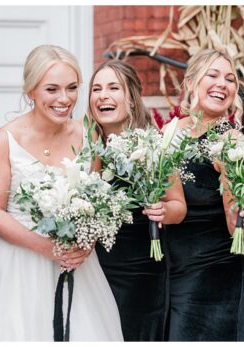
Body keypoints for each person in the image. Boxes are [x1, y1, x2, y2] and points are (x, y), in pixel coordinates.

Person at [0, 45, 123, 341]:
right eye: (52, 89)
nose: (64, 99)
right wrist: (45, 247)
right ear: (31, 91)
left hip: (77, 266)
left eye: (72, 88)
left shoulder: (89, 134)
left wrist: (86, 245)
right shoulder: (4, 141)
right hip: (19, 266)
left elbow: (99, 200)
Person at [87, 60, 187, 340]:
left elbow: (178, 206)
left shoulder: (152, 144)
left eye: (113, 88)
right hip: (93, 267)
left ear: (131, 98)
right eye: (96, 89)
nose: (103, 95)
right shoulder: (84, 145)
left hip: (141, 270)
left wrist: (163, 210)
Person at [168, 49, 244, 341]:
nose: (223, 83)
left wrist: (242, 210)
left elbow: (237, 226)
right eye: (213, 75)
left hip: (223, 267)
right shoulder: (170, 133)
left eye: (230, 79)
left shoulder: (231, 140)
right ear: (192, 82)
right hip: (179, 266)